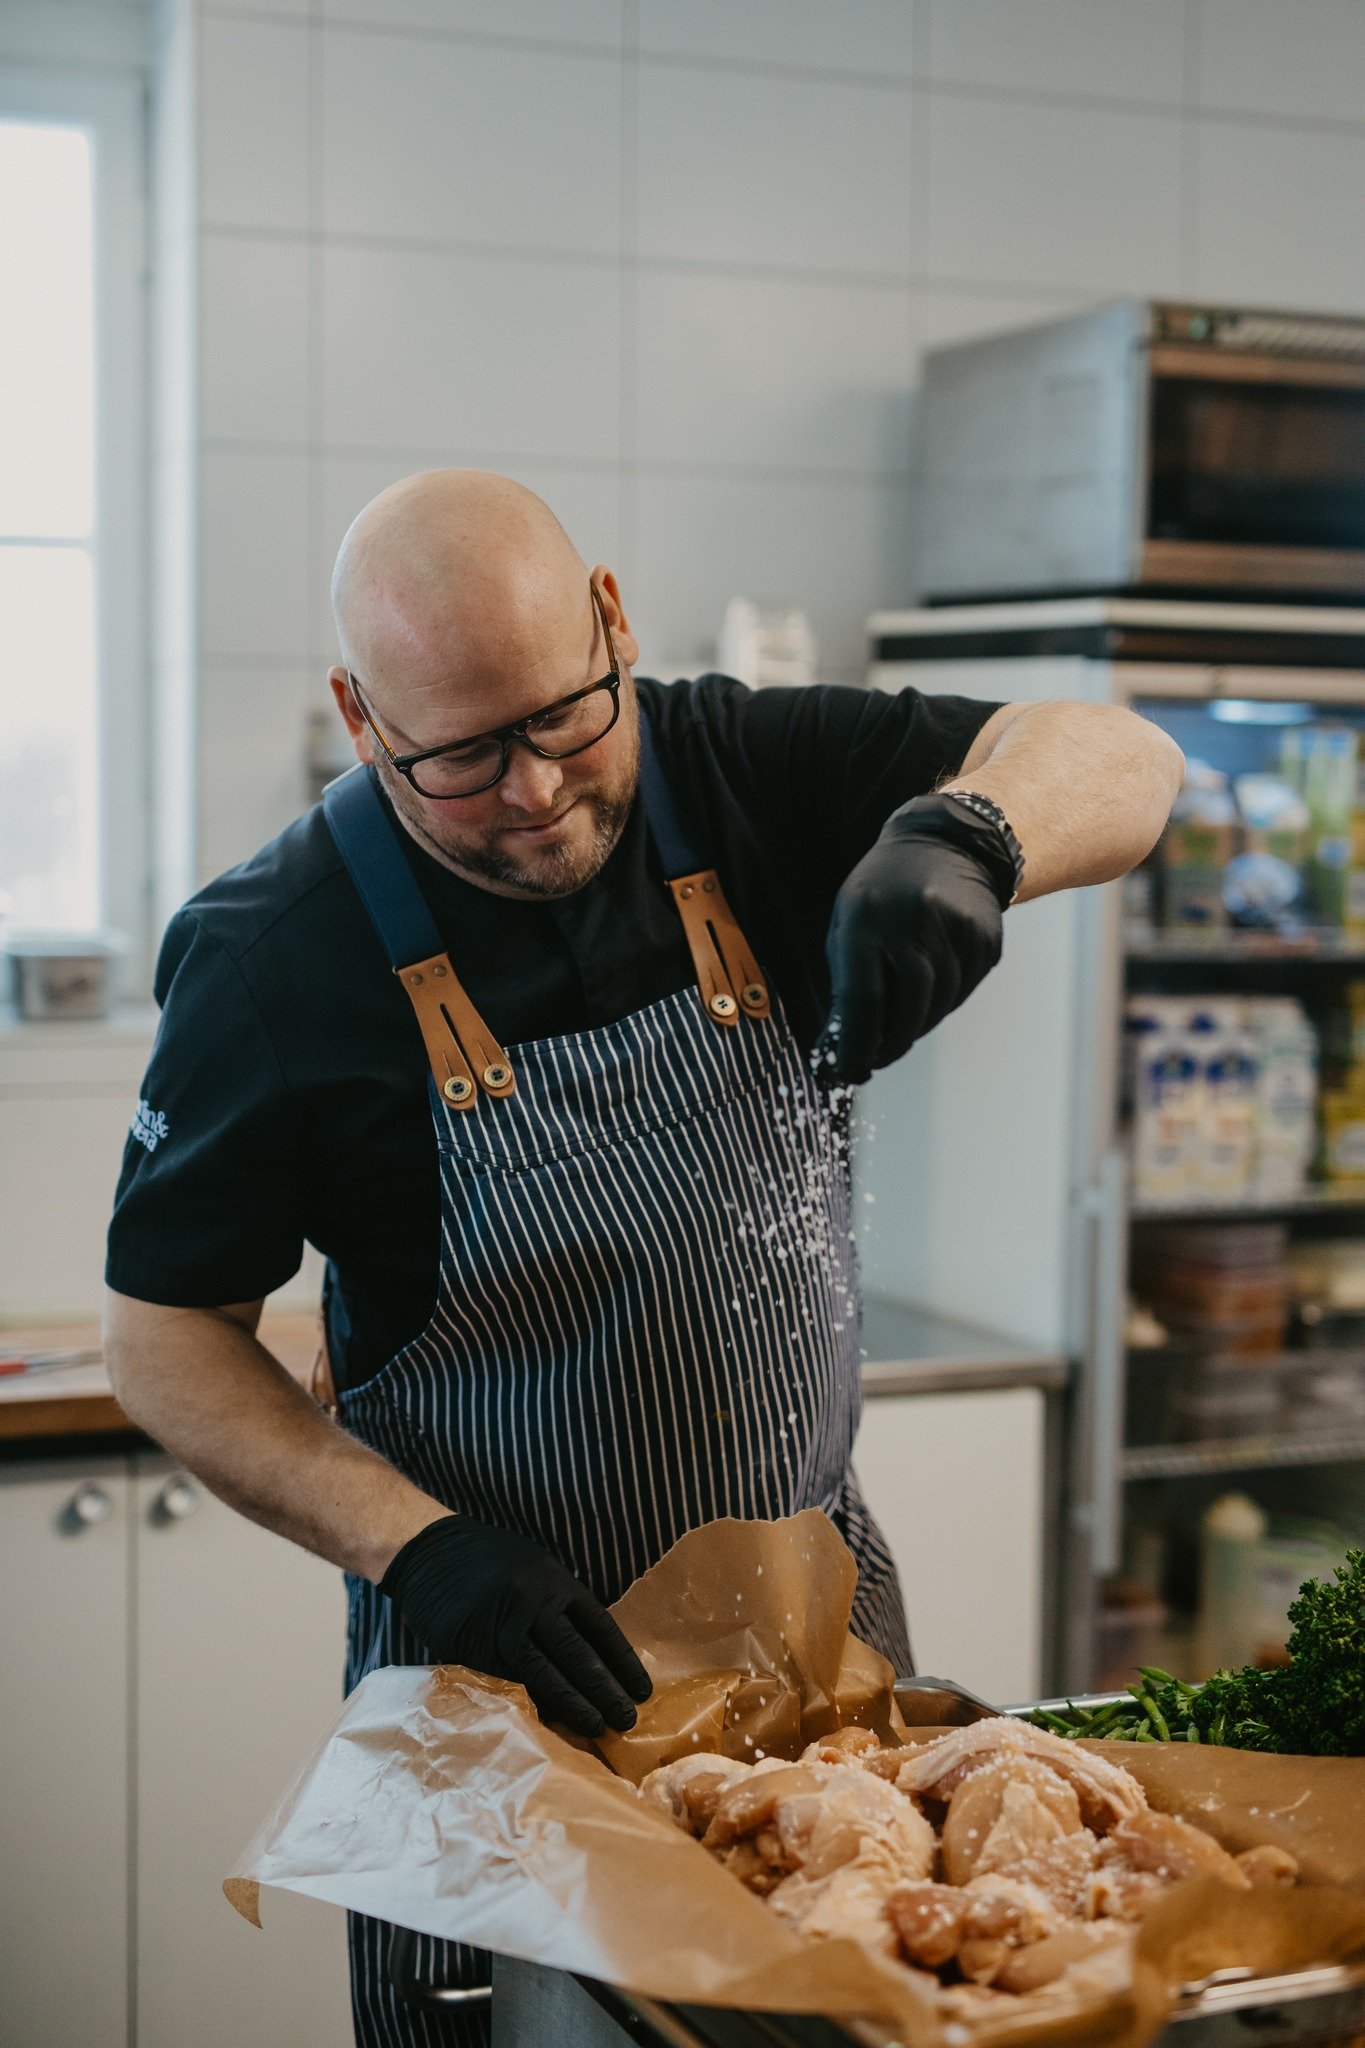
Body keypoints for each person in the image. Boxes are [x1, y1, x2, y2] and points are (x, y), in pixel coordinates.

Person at [103, 470, 1183, 2045]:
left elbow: (1127, 755)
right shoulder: (273, 955)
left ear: (612, 621)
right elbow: (165, 1339)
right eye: (459, 757)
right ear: (358, 714)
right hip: (494, 1704)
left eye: (562, 719)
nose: (534, 791)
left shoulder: (735, 765)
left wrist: (973, 834)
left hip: (818, 1675)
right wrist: (424, 1550)